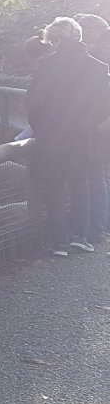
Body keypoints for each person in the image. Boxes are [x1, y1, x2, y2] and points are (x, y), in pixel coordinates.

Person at [26, 16, 110, 255]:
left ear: (57, 39)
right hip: (82, 134)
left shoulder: (45, 65)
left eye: (52, 39)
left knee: (54, 184)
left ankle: (59, 241)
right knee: (80, 182)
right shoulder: (97, 67)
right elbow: (105, 105)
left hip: (50, 134)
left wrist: (41, 127)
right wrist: (88, 125)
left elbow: (32, 101)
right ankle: (79, 236)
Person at [72, 14, 110, 242]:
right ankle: (100, 224)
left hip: (98, 127)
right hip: (101, 125)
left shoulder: (97, 59)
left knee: (95, 175)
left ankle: (97, 226)